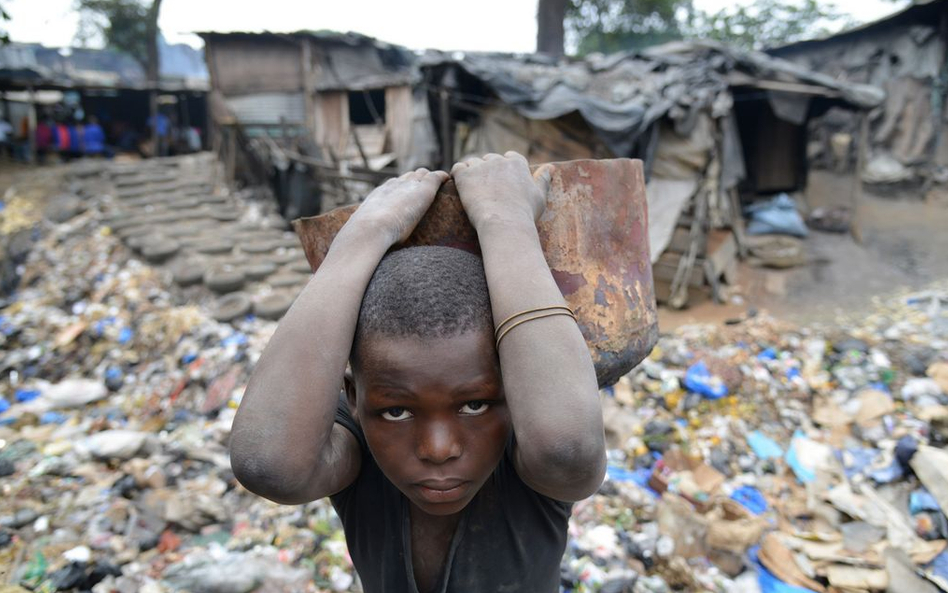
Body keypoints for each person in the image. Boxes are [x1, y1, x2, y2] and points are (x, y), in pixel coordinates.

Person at [231, 152, 606, 593]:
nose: (438, 449)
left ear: (516, 390)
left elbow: (569, 448)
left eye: (474, 404)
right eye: (396, 413)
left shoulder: (530, 454)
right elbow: (267, 464)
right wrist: (364, 235)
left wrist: (506, 223)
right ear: (352, 397)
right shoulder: (354, 453)